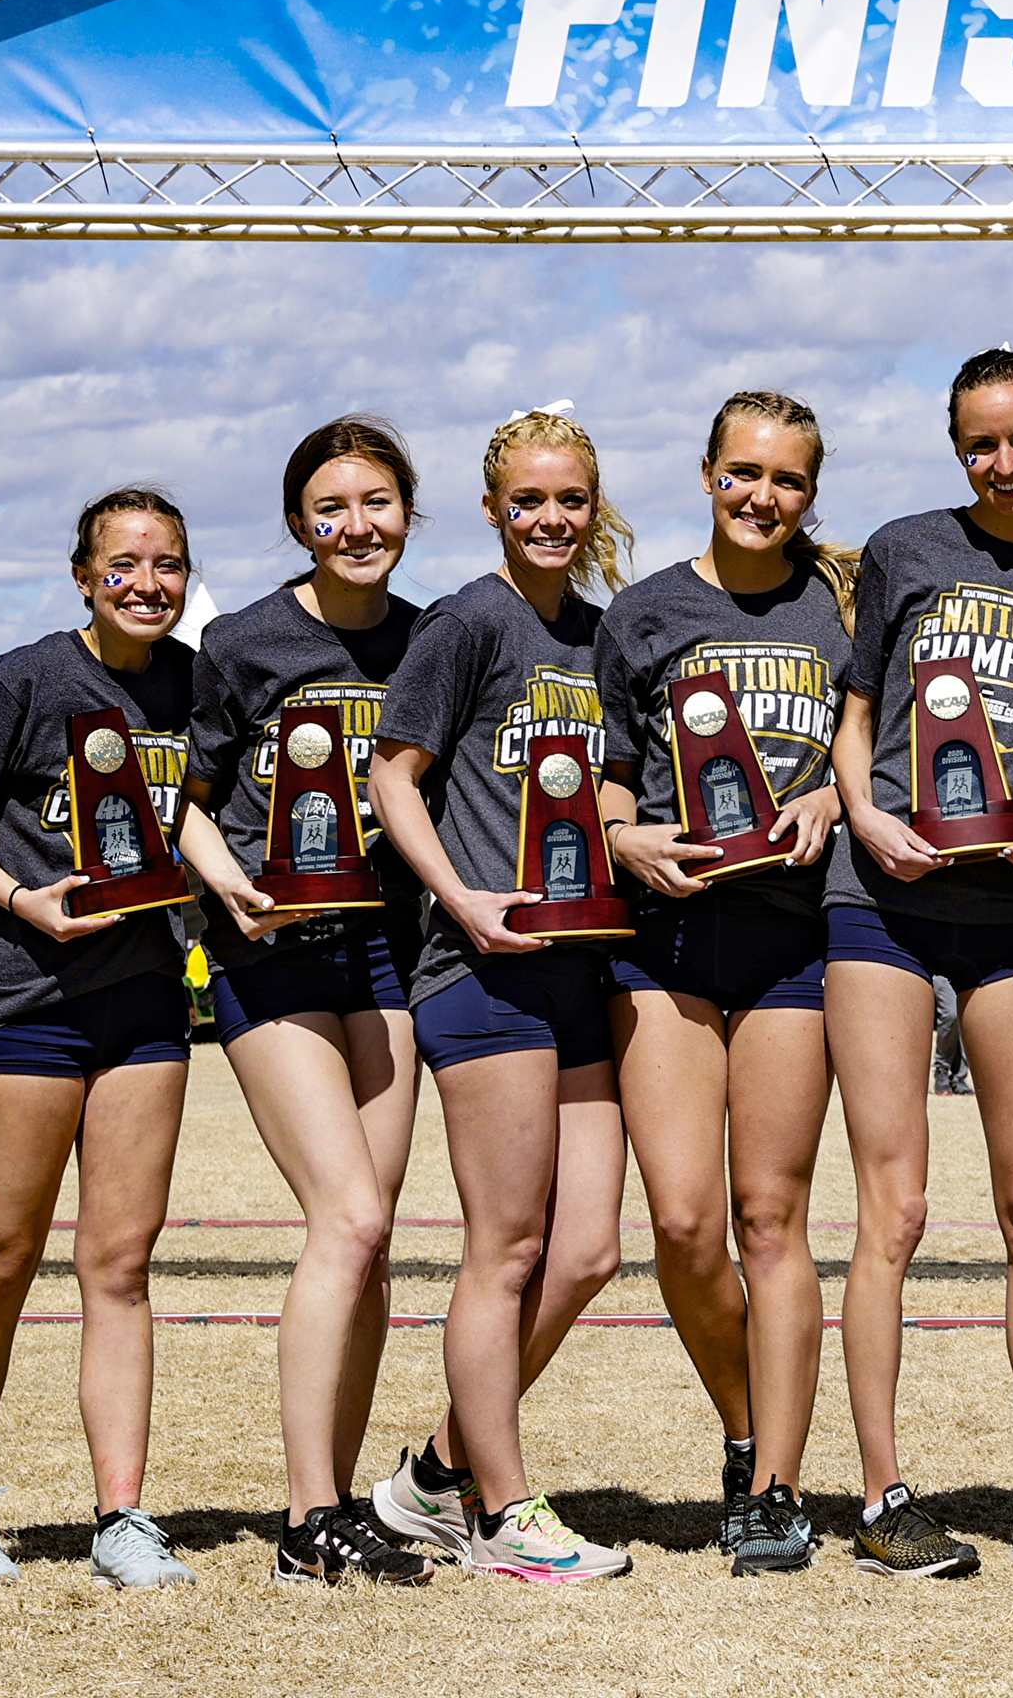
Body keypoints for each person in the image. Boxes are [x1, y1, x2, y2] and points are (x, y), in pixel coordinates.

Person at [825, 347, 1013, 1576]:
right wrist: (864, 813)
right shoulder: (905, 545)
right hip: (885, 901)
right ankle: (882, 1493)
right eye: (978, 444)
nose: (1001, 464)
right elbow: (858, 710)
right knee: (892, 1209)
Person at [0, 486, 202, 1590]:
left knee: (118, 1264)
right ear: (83, 574)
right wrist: (22, 897)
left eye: (167, 562)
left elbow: (191, 807)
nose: (146, 582)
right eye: (123, 563)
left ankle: (122, 1513)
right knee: (2, 1259)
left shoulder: (187, 682)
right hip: (22, 1003)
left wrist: (235, 888)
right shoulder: (26, 676)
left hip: (145, 1010)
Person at [365, 407, 635, 1585]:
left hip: (586, 965)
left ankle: (432, 1471)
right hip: (480, 971)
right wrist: (459, 898)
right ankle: (502, 1511)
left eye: (569, 497)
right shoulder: (467, 619)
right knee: (508, 1246)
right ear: (491, 508)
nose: (550, 518)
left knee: (587, 1251)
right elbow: (391, 773)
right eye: (527, 499)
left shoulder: (606, 632)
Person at [595, 391, 855, 1577]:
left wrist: (831, 798)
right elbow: (598, 778)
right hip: (665, 943)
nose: (763, 496)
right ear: (705, 472)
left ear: (812, 490)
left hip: (795, 943)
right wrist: (624, 837)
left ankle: (776, 1483)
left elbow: (877, 749)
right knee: (688, 1224)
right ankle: (746, 1426)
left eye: (788, 479)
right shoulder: (643, 612)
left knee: (772, 1217)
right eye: (743, 472)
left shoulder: (842, 603)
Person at [176, 416, 435, 1588]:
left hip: (388, 956)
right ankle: (304, 1514)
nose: (356, 524)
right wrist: (228, 886)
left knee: (371, 1242)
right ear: (298, 522)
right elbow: (176, 791)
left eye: (376, 500)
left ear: (408, 509)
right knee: (349, 1217)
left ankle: (338, 1504)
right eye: (331, 506)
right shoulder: (242, 642)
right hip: (271, 956)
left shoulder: (435, 639)